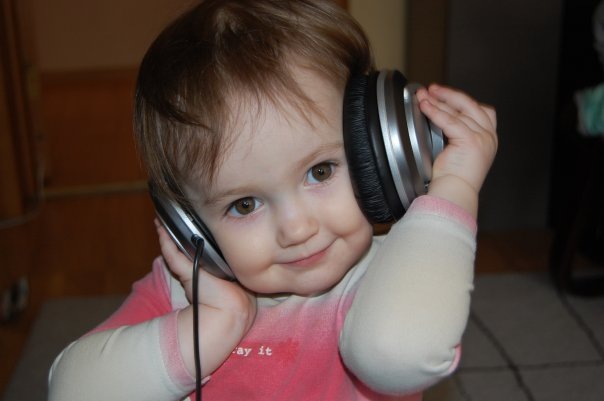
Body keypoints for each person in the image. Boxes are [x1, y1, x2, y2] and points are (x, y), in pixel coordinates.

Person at [47, 0, 497, 400]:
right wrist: (213, 323)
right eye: (244, 204)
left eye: (321, 171)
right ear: (189, 223)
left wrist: (454, 188)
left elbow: (397, 356)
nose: (297, 229)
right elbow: (70, 390)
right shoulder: (184, 290)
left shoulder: (397, 276)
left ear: (374, 154)